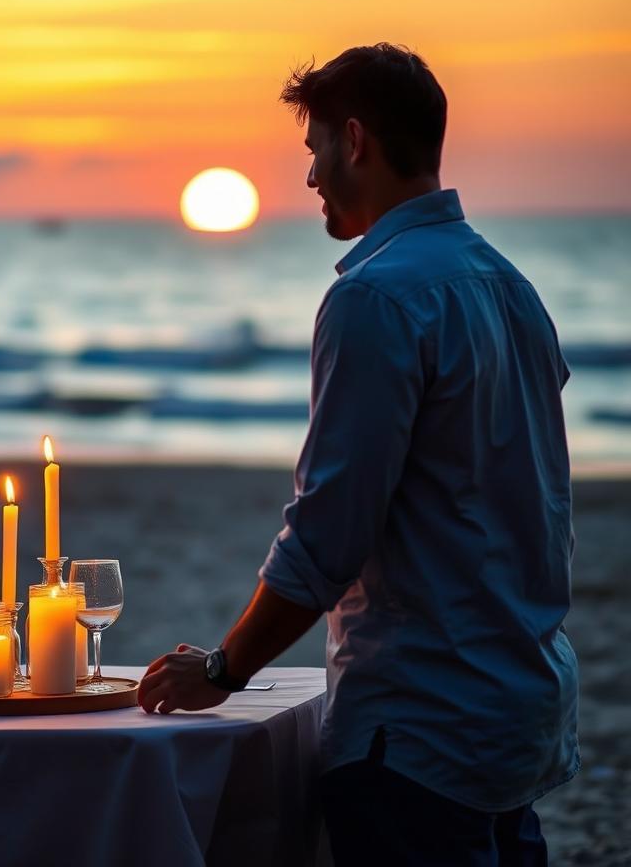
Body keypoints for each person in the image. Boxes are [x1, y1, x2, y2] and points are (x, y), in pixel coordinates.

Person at [138, 44, 578, 865]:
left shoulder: (373, 297)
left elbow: (328, 535)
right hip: (522, 707)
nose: (308, 178)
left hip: (419, 728)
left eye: (313, 152)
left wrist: (226, 668)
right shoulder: (511, 287)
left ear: (355, 140)